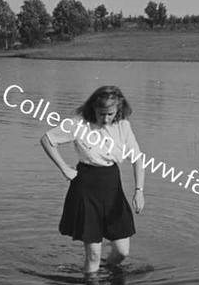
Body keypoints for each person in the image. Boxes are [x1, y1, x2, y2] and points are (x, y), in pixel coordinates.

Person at [40, 85, 145, 273]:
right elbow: (47, 140)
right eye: (101, 113)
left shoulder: (123, 126)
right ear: (93, 108)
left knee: (122, 252)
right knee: (94, 255)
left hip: (112, 185)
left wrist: (139, 191)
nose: (105, 118)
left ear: (118, 110)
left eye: (110, 114)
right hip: (86, 186)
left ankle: (107, 272)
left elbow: (137, 159)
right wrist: (64, 168)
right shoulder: (78, 124)